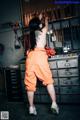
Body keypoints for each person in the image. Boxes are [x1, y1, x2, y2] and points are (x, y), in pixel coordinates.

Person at [24, 14, 59, 115]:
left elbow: (35, 25)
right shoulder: (42, 31)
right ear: (39, 25)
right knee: (48, 81)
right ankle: (54, 104)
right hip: (40, 57)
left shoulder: (30, 34)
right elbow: (44, 25)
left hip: (30, 57)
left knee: (30, 85)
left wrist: (38, 19)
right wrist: (46, 19)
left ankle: (31, 108)